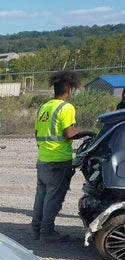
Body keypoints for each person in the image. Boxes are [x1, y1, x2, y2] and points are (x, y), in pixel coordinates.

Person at [31, 70, 92, 242]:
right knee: (54, 197)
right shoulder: (66, 107)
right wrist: (89, 133)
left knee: (41, 196)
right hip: (58, 160)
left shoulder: (44, 107)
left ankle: (36, 229)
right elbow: (69, 133)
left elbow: (37, 133)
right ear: (70, 89)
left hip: (43, 159)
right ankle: (47, 232)